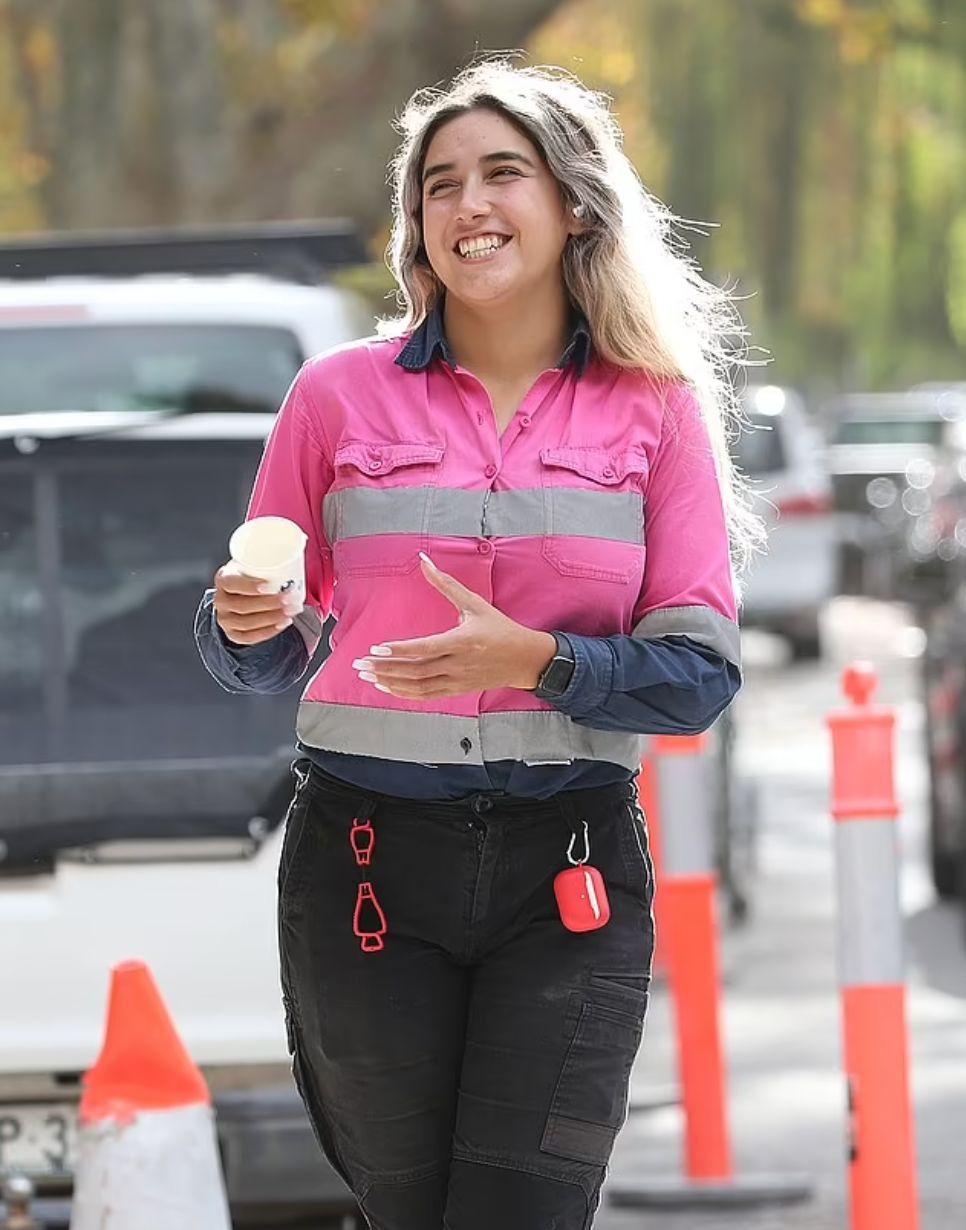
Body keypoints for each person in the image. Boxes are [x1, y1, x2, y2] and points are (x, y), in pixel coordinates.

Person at [195, 56, 758, 1230]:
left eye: (503, 173)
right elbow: (271, 642)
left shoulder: (655, 408)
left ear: (573, 206)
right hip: (364, 865)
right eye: (439, 184)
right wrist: (241, 622)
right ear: (417, 225)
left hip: (570, 868)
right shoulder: (334, 398)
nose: (468, 204)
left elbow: (699, 678)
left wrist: (539, 663)